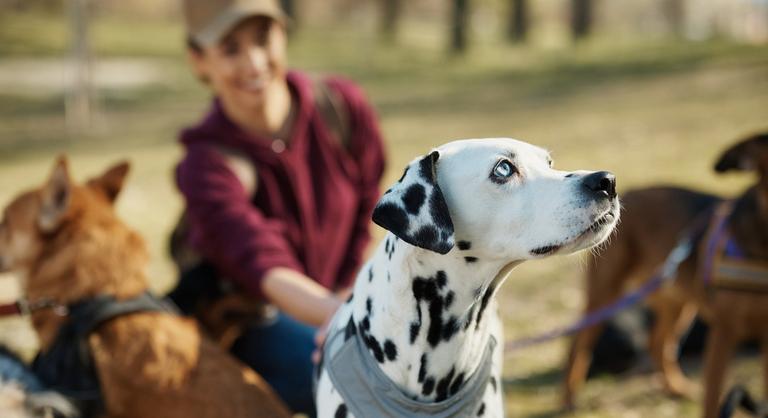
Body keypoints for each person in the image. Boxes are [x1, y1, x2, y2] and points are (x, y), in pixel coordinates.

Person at [172, 0, 386, 414]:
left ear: (284, 34)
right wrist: (345, 317)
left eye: (263, 38)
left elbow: (367, 207)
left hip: (340, 297)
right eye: (230, 49)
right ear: (199, 62)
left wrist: (349, 290)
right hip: (255, 322)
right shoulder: (205, 163)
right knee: (353, 374)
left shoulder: (341, 107)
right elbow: (263, 265)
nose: (254, 63)